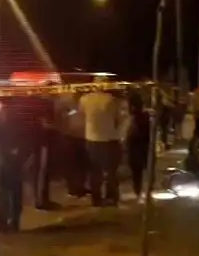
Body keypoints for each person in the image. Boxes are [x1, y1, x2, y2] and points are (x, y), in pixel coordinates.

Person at [0, 95, 55, 232]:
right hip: (4, 158)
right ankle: (4, 221)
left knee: (13, 191)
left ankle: (13, 222)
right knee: (3, 191)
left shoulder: (15, 119)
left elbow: (24, 139)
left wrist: (19, 153)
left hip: (13, 159)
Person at [79, 77, 122, 207]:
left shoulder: (84, 99)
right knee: (111, 171)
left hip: (91, 139)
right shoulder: (111, 100)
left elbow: (81, 116)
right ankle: (111, 197)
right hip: (110, 138)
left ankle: (96, 198)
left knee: (95, 171)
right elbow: (118, 118)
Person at [55, 91, 89, 198]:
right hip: (70, 136)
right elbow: (61, 118)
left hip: (82, 136)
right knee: (72, 165)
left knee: (82, 164)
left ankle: (80, 187)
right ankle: (72, 189)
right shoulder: (66, 104)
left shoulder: (83, 103)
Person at [125, 93, 150, 202]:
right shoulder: (146, 116)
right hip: (145, 146)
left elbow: (130, 134)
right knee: (144, 169)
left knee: (136, 171)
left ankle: (138, 191)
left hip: (135, 146)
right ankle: (146, 190)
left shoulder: (132, 118)